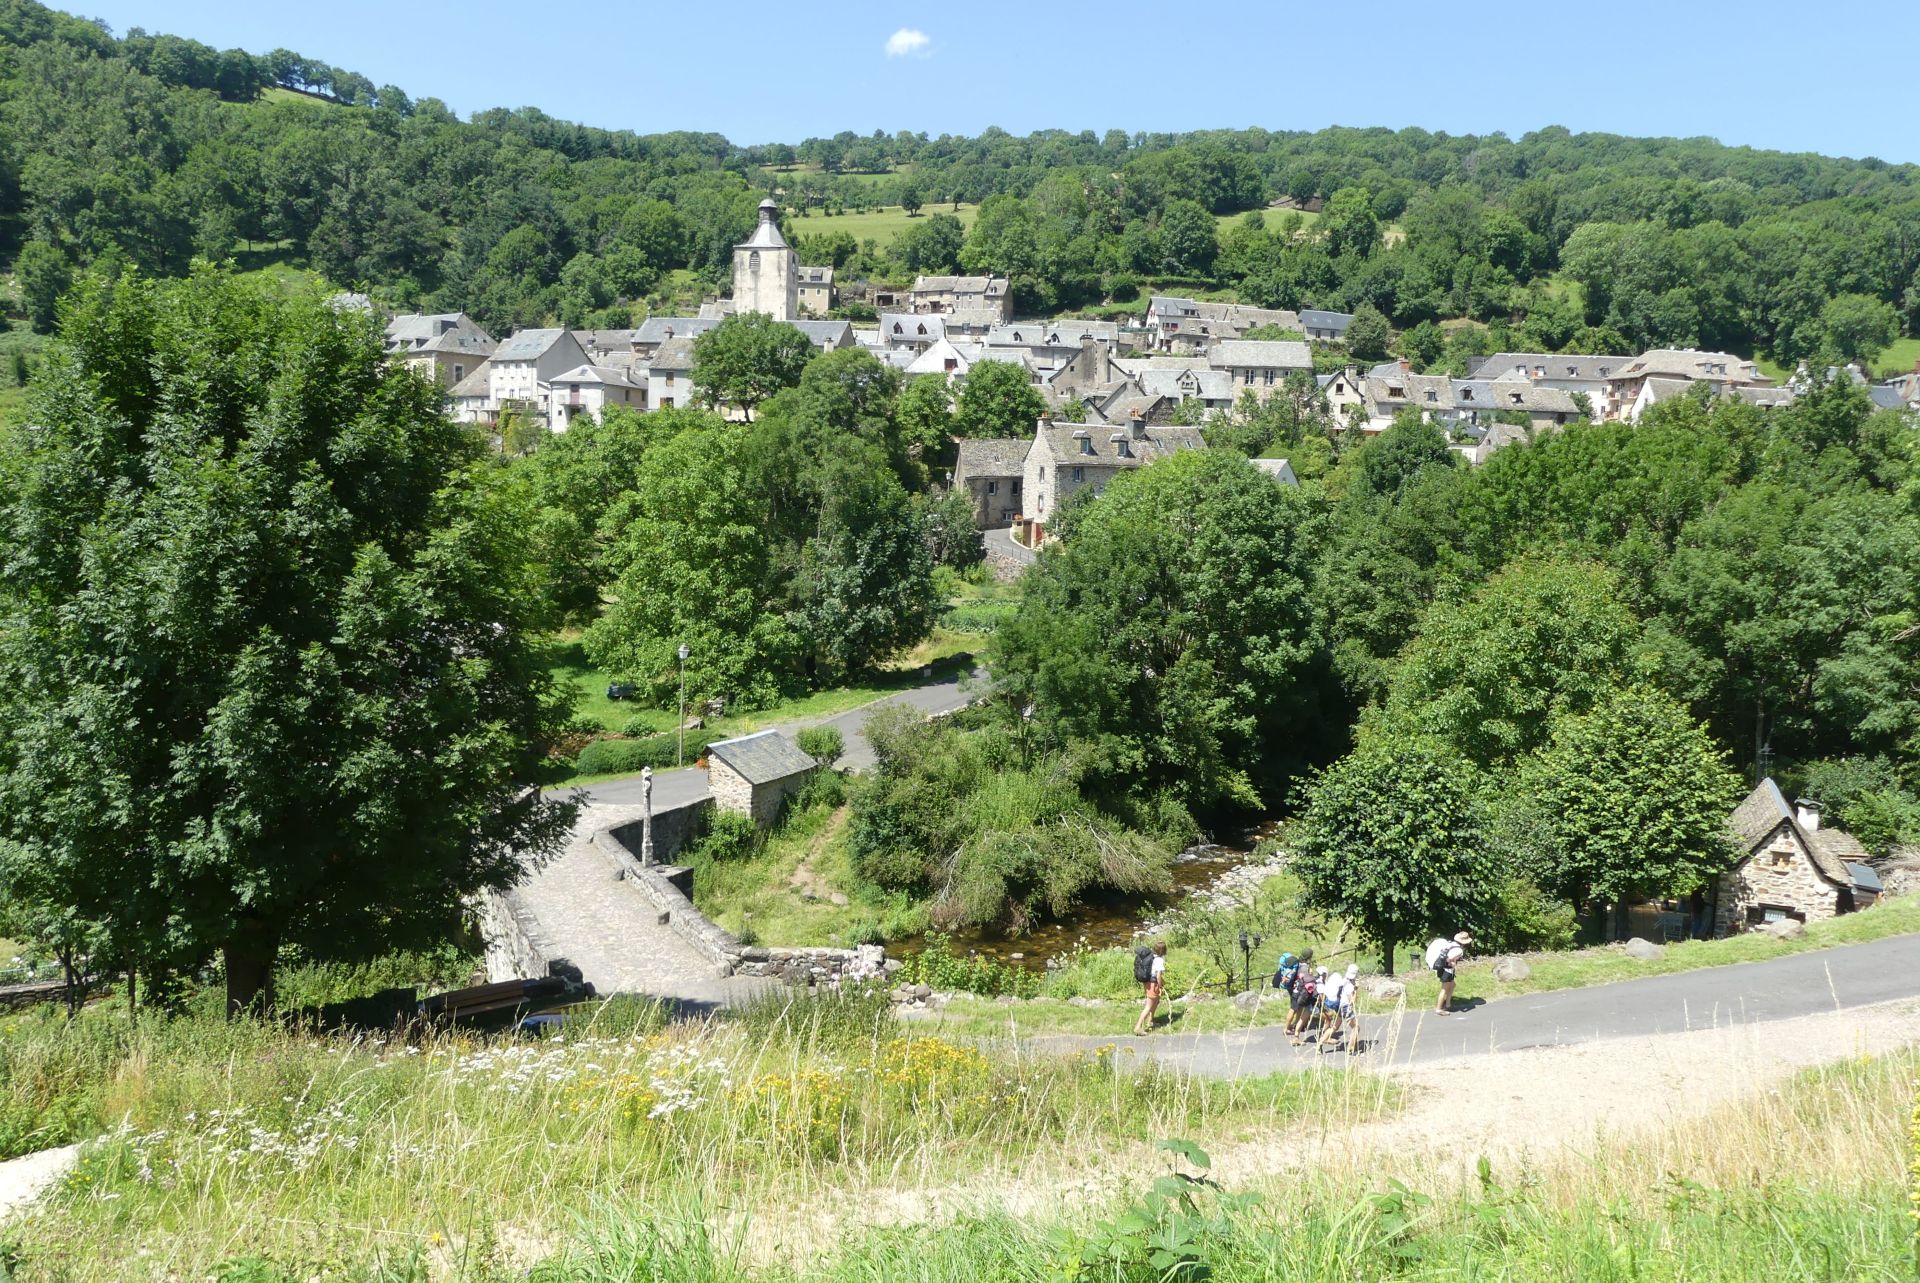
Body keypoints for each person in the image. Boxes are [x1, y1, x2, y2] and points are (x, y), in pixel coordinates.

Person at [1426, 931, 1471, 1014]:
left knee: (1453, 985)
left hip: (1442, 969)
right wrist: (1453, 963)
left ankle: (1448, 1005)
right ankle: (1439, 1009)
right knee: (1444, 989)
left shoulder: (1450, 944)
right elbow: (1449, 959)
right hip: (1447, 970)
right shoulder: (1459, 950)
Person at [1134, 941, 1168, 1035]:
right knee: (1148, 1006)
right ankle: (1138, 1027)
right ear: (1163, 950)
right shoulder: (1159, 960)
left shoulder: (1152, 956)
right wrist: (1160, 986)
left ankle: (1150, 1021)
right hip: (1153, 984)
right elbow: (1158, 976)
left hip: (1147, 983)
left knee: (1156, 1002)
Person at [1280, 948, 1314, 1038]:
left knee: (1298, 1008)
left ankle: (1295, 1024)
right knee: (1293, 1009)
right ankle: (1286, 1029)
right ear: (1309, 957)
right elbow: (1308, 979)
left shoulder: (1298, 963)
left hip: (1294, 988)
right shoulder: (1305, 967)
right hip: (1299, 990)